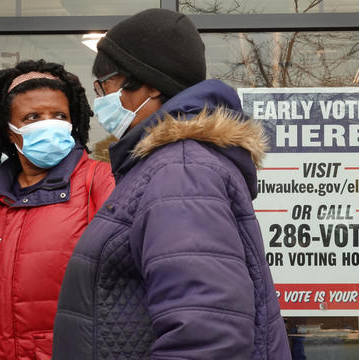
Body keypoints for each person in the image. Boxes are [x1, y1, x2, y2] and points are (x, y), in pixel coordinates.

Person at [52, 8, 291, 359]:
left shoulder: (180, 171)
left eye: (104, 85)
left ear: (147, 85)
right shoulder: (170, 165)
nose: (99, 99)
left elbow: (207, 336)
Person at [0, 59, 114, 359]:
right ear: (9, 129)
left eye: (59, 115)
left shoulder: (101, 186)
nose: (48, 123)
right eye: (32, 117)